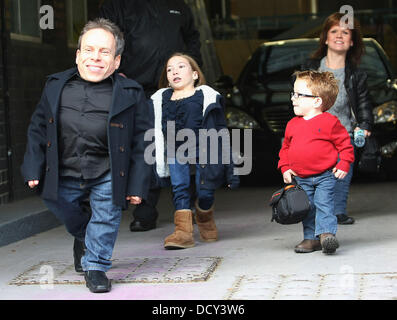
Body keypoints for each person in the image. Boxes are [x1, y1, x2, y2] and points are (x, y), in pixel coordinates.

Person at [20, 18, 151, 293]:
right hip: (63, 168)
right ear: (78, 55)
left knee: (106, 215)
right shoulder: (55, 85)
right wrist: (33, 165)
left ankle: (96, 267)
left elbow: (143, 143)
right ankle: (83, 235)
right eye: (89, 50)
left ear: (116, 61)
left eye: (105, 52)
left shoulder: (131, 93)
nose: (96, 57)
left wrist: (138, 185)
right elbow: (37, 127)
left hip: (108, 170)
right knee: (58, 203)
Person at [98, 0, 203, 232]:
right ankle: (145, 210)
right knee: (145, 147)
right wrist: (115, 70)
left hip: (176, 90)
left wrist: (192, 71)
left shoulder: (179, 6)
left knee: (183, 147)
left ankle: (188, 207)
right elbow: (105, 38)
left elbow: (192, 39)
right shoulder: (118, 6)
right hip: (138, 89)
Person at [150, 53, 239, 249]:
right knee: (179, 188)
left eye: (181, 67)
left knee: (205, 190)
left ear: (195, 74)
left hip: (204, 149)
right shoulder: (160, 99)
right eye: (170, 69)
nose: (174, 72)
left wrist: (230, 167)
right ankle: (183, 232)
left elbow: (221, 130)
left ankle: (205, 217)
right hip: (175, 150)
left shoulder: (206, 97)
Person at [302, 12, 373, 225]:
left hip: (344, 133)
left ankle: (338, 212)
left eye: (345, 32)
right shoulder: (311, 69)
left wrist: (366, 125)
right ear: (325, 38)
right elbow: (298, 98)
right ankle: (316, 213)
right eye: (334, 31)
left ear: (352, 42)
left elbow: (364, 105)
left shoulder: (356, 75)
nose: (339, 36)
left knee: (342, 174)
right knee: (315, 177)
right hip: (314, 134)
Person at [278, 70, 355, 254]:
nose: (293, 99)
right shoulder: (292, 124)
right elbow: (285, 149)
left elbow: (345, 145)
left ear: (317, 101)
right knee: (308, 208)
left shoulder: (330, 122)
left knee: (324, 204)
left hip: (324, 176)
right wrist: (285, 167)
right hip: (301, 178)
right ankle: (311, 239)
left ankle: (327, 235)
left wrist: (344, 163)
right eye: (293, 94)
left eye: (298, 95)